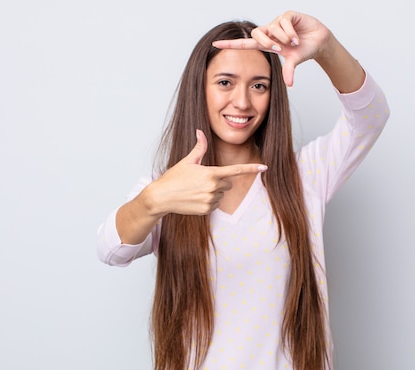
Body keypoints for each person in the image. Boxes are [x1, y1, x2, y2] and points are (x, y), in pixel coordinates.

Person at [97, 10, 389, 370]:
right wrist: (155, 200)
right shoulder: (168, 189)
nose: (242, 102)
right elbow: (111, 249)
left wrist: (326, 47)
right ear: (199, 88)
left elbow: (371, 116)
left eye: (259, 85)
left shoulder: (305, 176)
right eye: (225, 82)